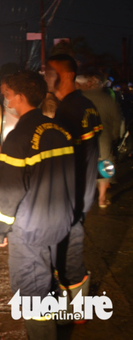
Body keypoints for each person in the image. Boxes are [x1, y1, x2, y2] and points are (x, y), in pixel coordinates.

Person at [0, 70, 76, 339]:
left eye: (7, 94)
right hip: (60, 220)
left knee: (31, 290)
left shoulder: (18, 138)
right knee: (53, 274)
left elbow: (10, 192)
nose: (5, 99)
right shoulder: (59, 130)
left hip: (30, 228)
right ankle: (62, 320)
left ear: (18, 97)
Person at [45, 53, 101, 319]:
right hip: (84, 191)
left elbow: (64, 160)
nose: (46, 77)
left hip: (71, 196)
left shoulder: (68, 111)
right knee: (70, 251)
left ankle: (77, 312)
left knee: (68, 255)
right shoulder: (86, 104)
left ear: (65, 75)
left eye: (50, 72)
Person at [77, 73, 122, 208]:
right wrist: (114, 136)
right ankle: (102, 198)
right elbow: (117, 119)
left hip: (86, 136)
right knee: (105, 165)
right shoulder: (108, 99)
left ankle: (85, 198)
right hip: (105, 136)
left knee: (85, 165)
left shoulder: (82, 98)